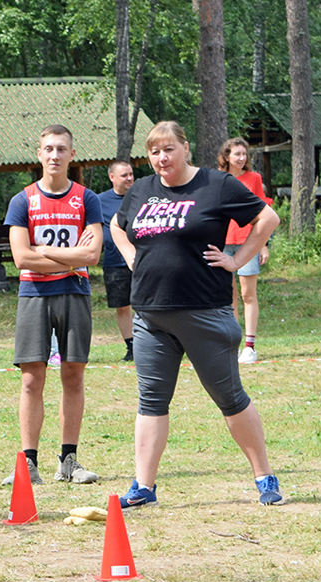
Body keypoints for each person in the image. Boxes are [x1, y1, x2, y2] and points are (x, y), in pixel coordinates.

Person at [109, 120, 283, 509]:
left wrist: (237, 260)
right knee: (151, 400)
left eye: (168, 149)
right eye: (154, 151)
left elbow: (266, 220)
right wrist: (128, 254)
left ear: (185, 148)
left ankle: (265, 476)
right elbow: (117, 226)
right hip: (151, 314)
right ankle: (143, 486)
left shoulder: (215, 185)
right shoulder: (140, 191)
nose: (161, 158)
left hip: (204, 311)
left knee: (230, 397)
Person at [1, 124, 102, 488]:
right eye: (49, 148)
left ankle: (69, 461)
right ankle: (28, 463)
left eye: (62, 149)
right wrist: (69, 258)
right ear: (39, 153)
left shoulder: (86, 199)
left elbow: (92, 254)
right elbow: (20, 259)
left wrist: (46, 253)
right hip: (34, 295)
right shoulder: (22, 200)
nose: (55, 155)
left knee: (73, 376)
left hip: (75, 293)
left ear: (72, 154)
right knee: (32, 380)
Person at [217, 137, 274, 365]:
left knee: (247, 294)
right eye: (236, 154)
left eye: (244, 154)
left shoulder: (254, 179)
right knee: (227, 296)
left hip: (247, 243)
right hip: (222, 243)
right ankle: (233, 344)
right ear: (227, 157)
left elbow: (264, 215)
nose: (241, 158)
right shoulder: (219, 179)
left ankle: (250, 346)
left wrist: (263, 245)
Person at [98, 159, 136, 363]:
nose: (130, 178)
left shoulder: (141, 196)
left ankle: (154, 344)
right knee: (123, 306)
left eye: (131, 174)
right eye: (124, 175)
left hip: (143, 260)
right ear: (112, 177)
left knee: (148, 305)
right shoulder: (99, 201)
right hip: (114, 262)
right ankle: (131, 348)